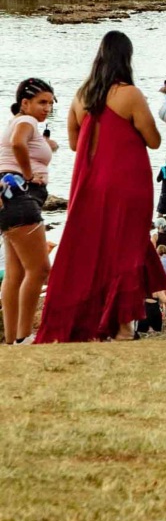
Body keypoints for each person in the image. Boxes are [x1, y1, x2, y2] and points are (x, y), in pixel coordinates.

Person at [36, 32, 166, 343]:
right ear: (126, 58)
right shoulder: (130, 95)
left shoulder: (80, 96)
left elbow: (72, 143)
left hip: (89, 185)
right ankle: (123, 327)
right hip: (127, 184)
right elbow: (154, 140)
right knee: (126, 250)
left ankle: (91, 322)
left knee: (91, 252)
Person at [0, 78, 57, 345]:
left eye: (50, 102)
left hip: (7, 197)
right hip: (20, 197)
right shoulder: (26, 122)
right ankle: (24, 337)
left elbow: (26, 146)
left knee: (15, 274)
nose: (47, 107)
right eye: (41, 102)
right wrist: (27, 173)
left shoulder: (24, 123)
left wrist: (49, 147)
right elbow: (18, 144)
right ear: (25, 103)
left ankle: (12, 340)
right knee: (40, 270)